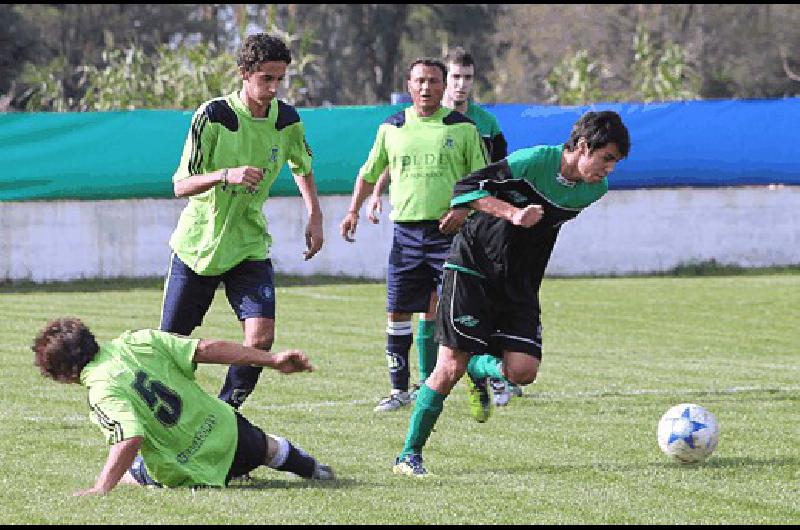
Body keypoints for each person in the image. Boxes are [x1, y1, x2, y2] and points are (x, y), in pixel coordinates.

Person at [393, 110, 631, 476]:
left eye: (614, 162)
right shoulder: (532, 161)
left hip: (519, 281)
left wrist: (486, 213)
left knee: (523, 371)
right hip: (472, 265)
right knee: (448, 367)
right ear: (583, 146)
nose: (609, 169)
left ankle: (479, 366)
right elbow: (467, 188)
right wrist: (511, 213)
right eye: (607, 159)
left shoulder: (593, 190)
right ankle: (408, 456)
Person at [161, 33, 324, 410]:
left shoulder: (287, 120)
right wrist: (225, 175)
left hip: (248, 244)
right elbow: (181, 185)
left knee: (261, 337)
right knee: (169, 345)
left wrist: (314, 214)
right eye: (266, 78)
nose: (273, 88)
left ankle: (225, 413)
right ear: (244, 73)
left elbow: (303, 166)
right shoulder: (213, 116)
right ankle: (163, 420)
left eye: (280, 79)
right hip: (198, 246)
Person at [366, 48, 517, 419]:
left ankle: (483, 373)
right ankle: (426, 381)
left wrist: (479, 213)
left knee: (467, 306)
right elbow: (396, 158)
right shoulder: (404, 124)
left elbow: (492, 176)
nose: (460, 84)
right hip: (414, 228)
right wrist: (372, 196)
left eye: (467, 77)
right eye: (455, 77)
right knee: (426, 310)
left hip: (467, 226)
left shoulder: (482, 125)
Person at [31, 318, 334, 495]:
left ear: (65, 374)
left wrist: (101, 488)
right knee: (267, 447)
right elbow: (204, 349)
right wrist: (270, 359)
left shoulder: (100, 389)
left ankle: (225, 472)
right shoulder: (139, 340)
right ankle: (312, 469)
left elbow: (129, 438)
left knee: (134, 471)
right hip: (231, 435)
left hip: (190, 469)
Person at [339, 57, 488, 413]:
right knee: (397, 313)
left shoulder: (463, 128)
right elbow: (370, 172)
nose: (426, 87)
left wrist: (464, 210)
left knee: (456, 314)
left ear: (443, 86)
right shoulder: (391, 127)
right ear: (408, 85)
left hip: (449, 234)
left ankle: (474, 379)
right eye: (419, 81)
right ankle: (398, 391)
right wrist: (353, 210)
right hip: (405, 235)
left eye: (433, 81)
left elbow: (483, 182)